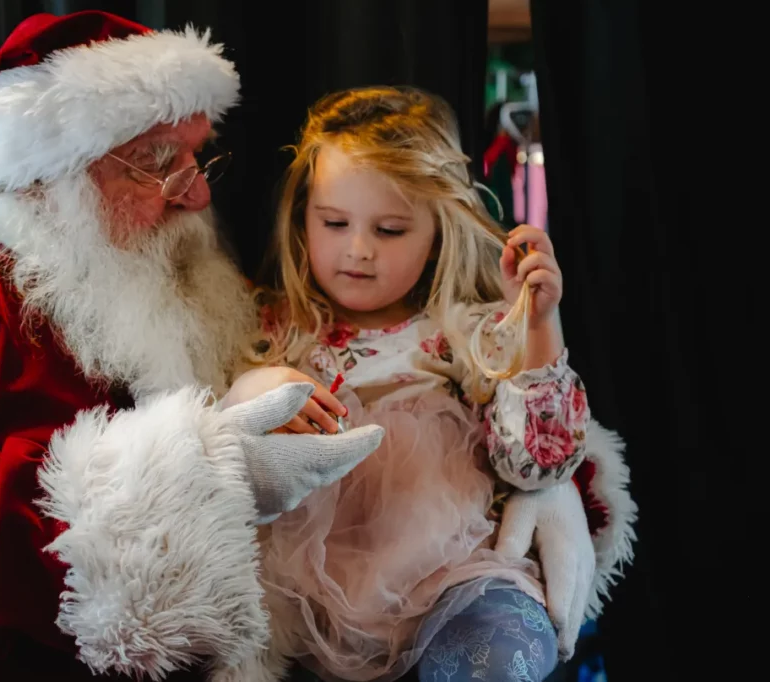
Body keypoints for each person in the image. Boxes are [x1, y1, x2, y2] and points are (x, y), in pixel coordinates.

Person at [0, 11, 388, 682]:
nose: (198, 194)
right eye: (160, 163)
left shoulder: (185, 285)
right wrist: (193, 482)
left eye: (199, 156)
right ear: (50, 179)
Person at [215, 87, 636, 682]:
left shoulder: (462, 331)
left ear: (438, 228)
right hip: (303, 591)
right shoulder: (272, 331)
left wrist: (539, 326)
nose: (357, 250)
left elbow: (537, 465)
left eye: (389, 229)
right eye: (334, 222)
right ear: (301, 213)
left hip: (453, 575)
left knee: (506, 650)